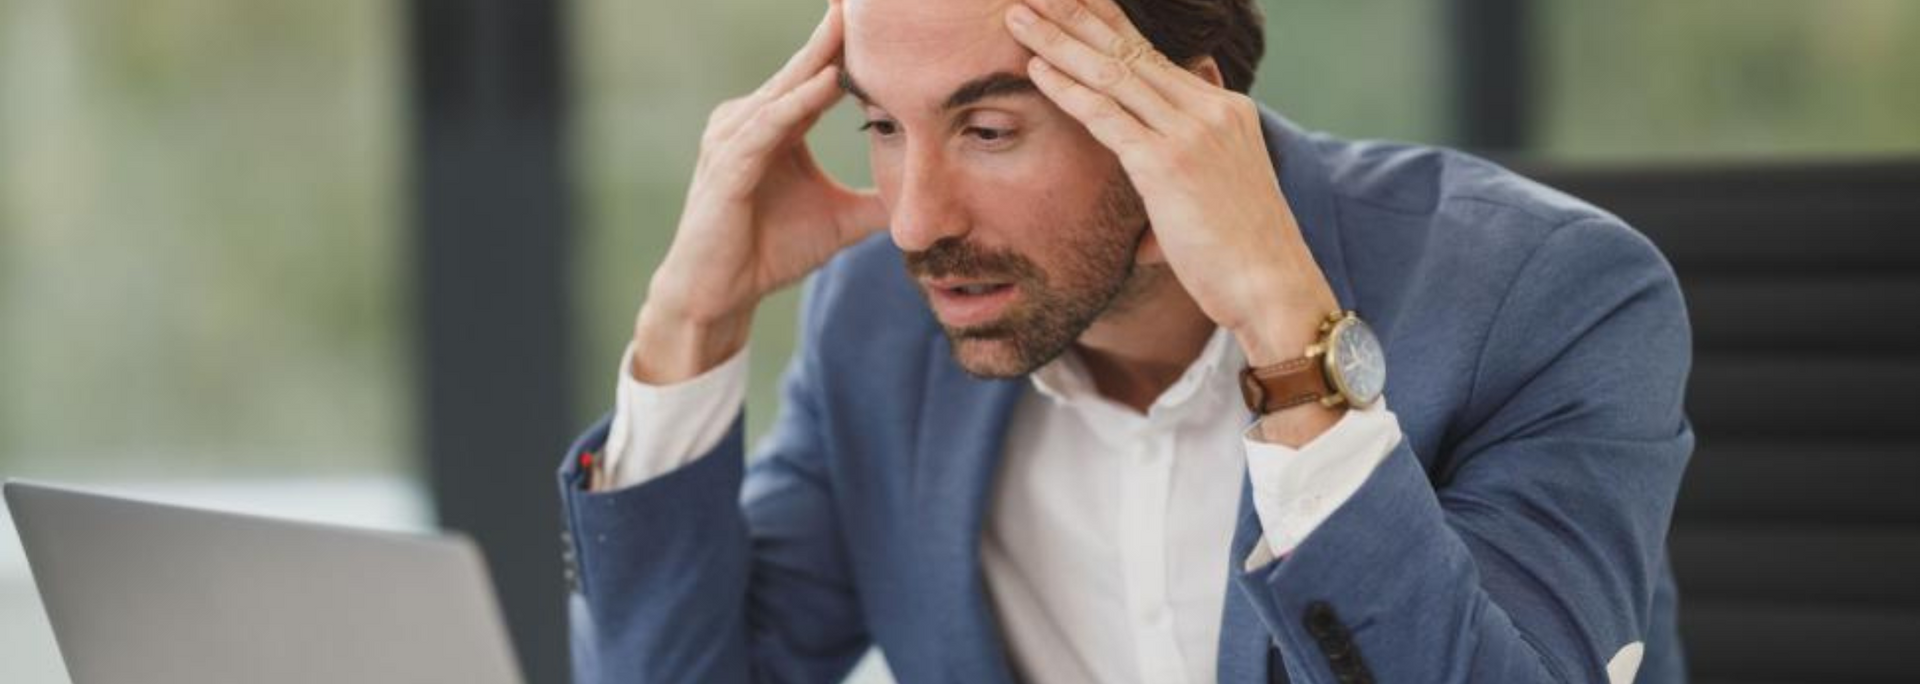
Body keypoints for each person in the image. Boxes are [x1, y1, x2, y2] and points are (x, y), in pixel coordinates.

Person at [555, 0, 1693, 681]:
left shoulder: (1549, 299)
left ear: (1174, 113)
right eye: (884, 128)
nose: (915, 221)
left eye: (989, 128)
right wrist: (688, 322)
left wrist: (1287, 340)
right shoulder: (884, 325)